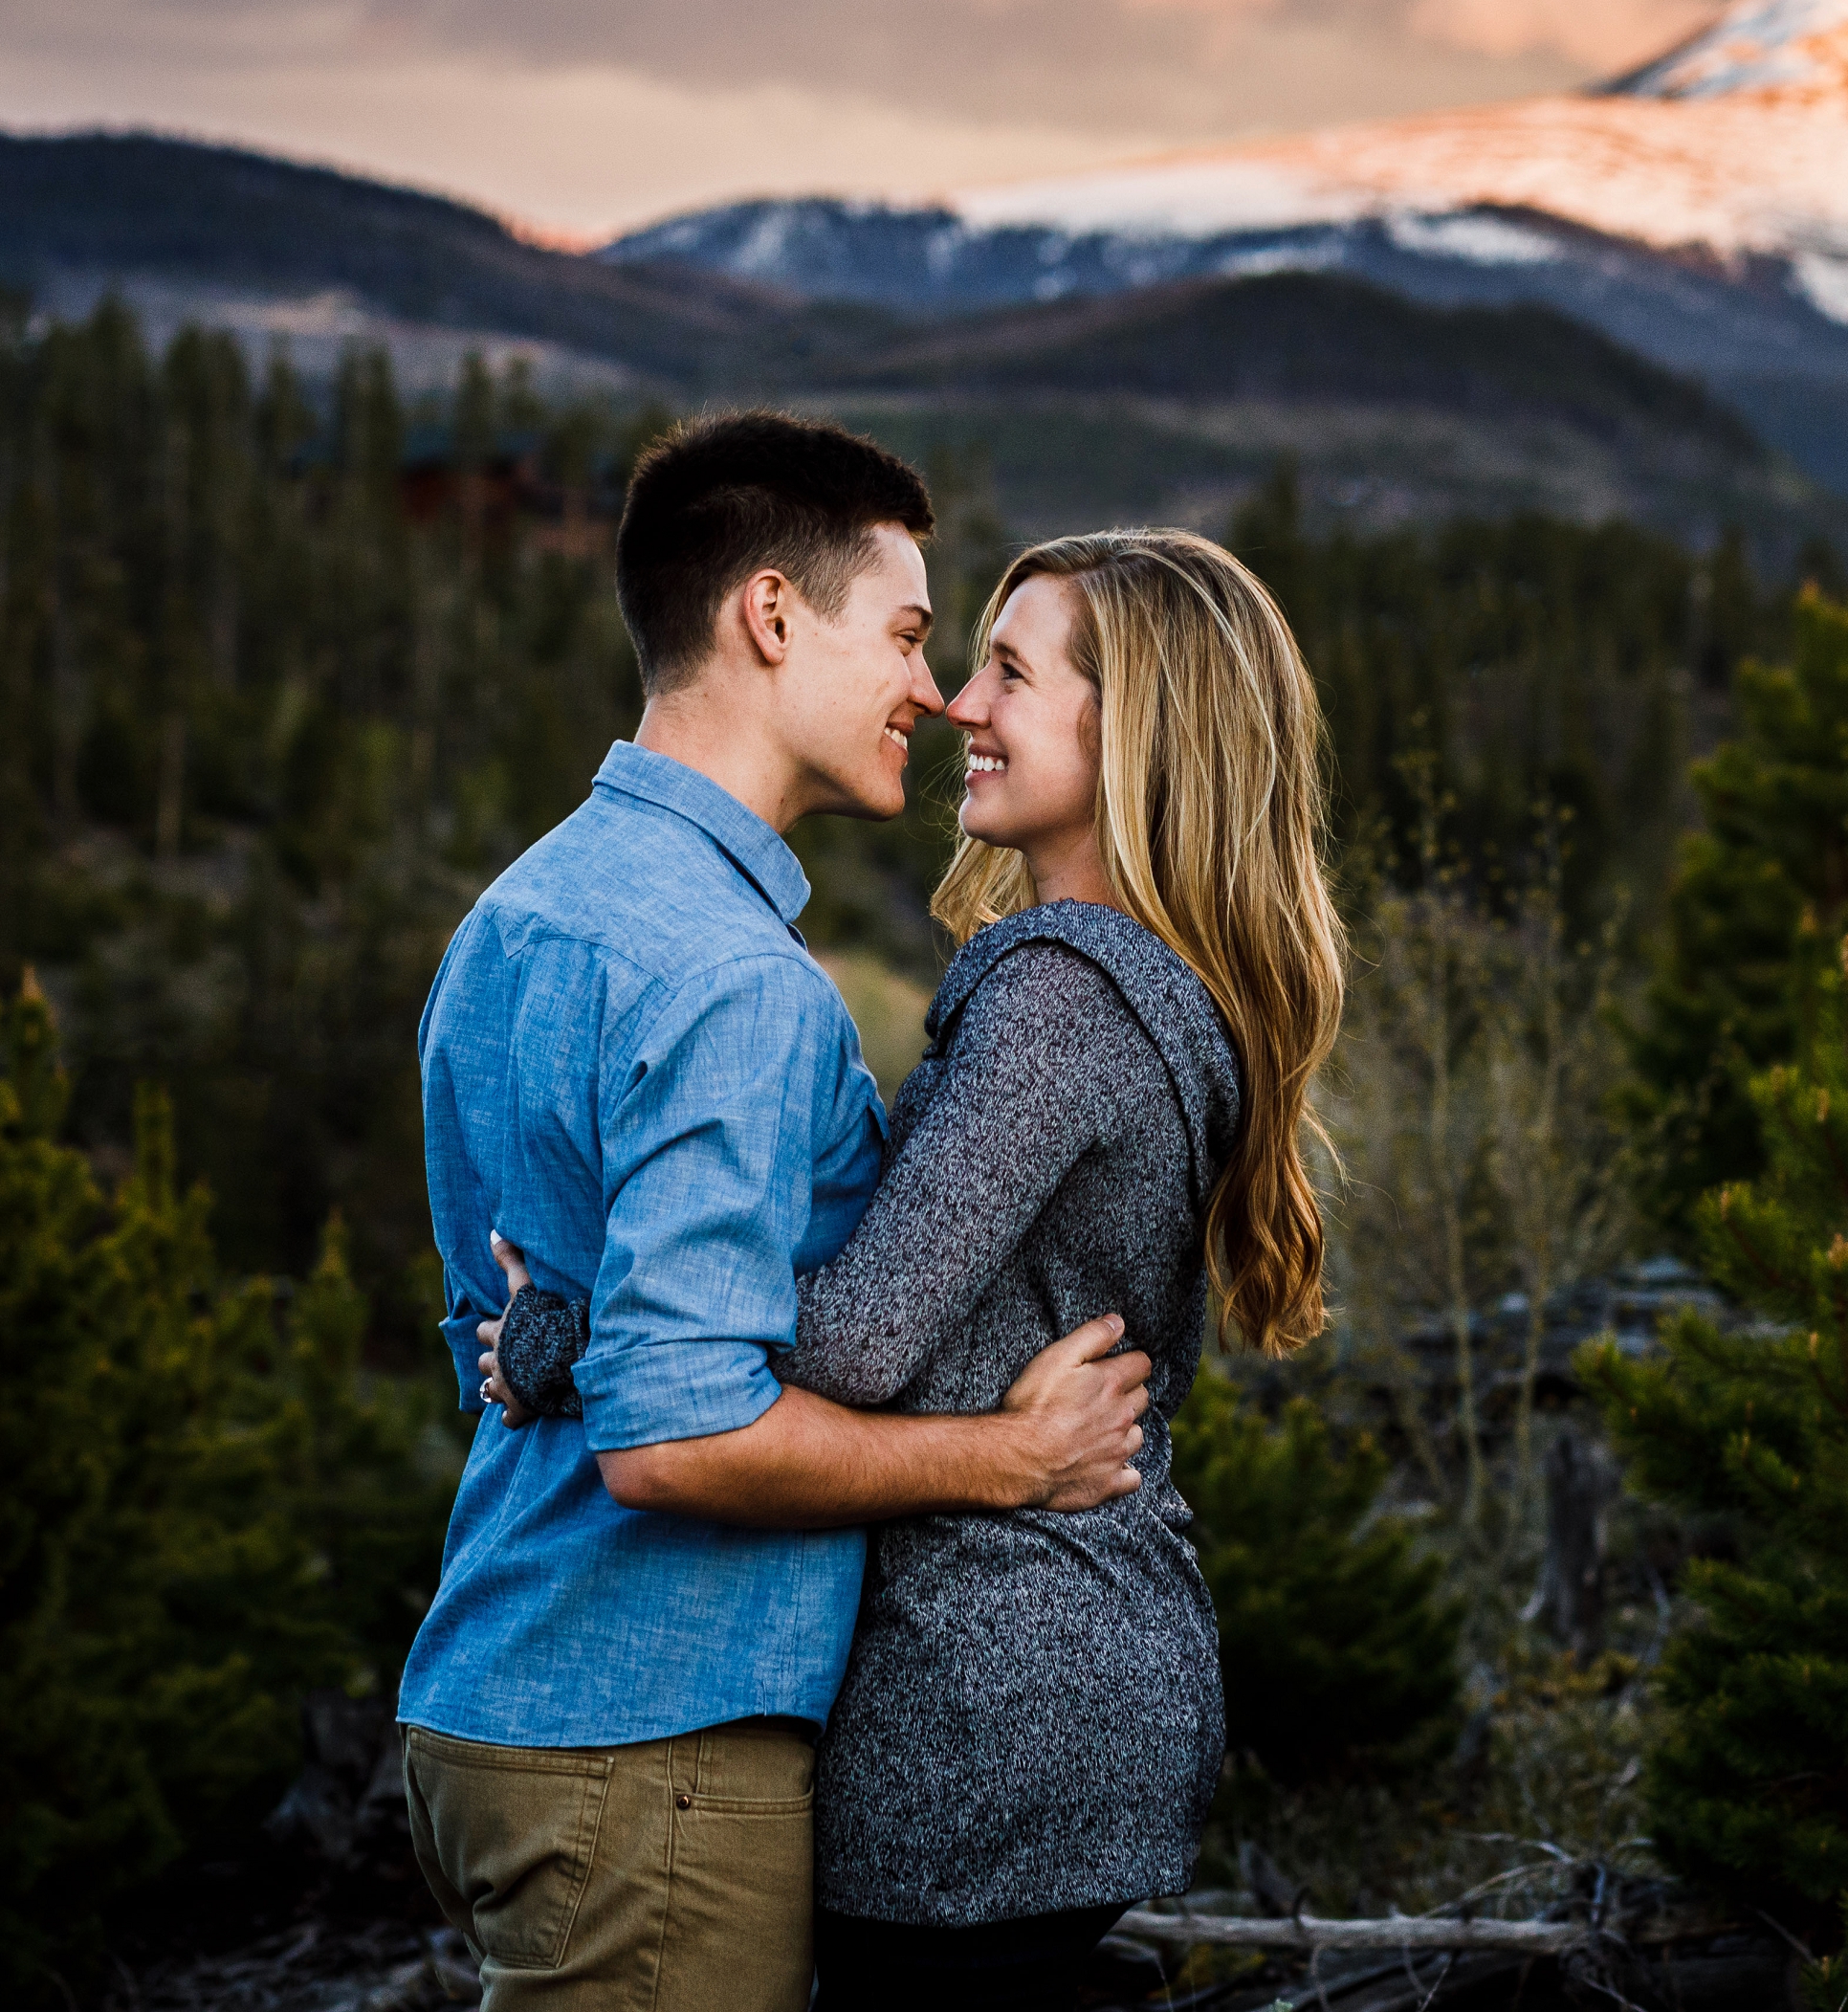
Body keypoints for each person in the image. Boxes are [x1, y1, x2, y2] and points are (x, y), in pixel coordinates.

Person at [483, 527, 1345, 2011]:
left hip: (980, 1697)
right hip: (1066, 1675)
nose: (961, 702)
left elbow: (857, 1343)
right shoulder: (1148, 985)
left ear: (1126, 728)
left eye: (1011, 670)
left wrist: (566, 1331)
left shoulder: (1063, 993)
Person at [395, 413, 1157, 2012]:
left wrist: (572, 1335)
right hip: (649, 1734)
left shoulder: (519, 911)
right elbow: (673, 1438)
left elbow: (511, 1318)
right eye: (903, 632)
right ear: (766, 615)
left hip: (497, 1686)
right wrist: (1012, 1458)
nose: (935, 693)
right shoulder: (736, 980)